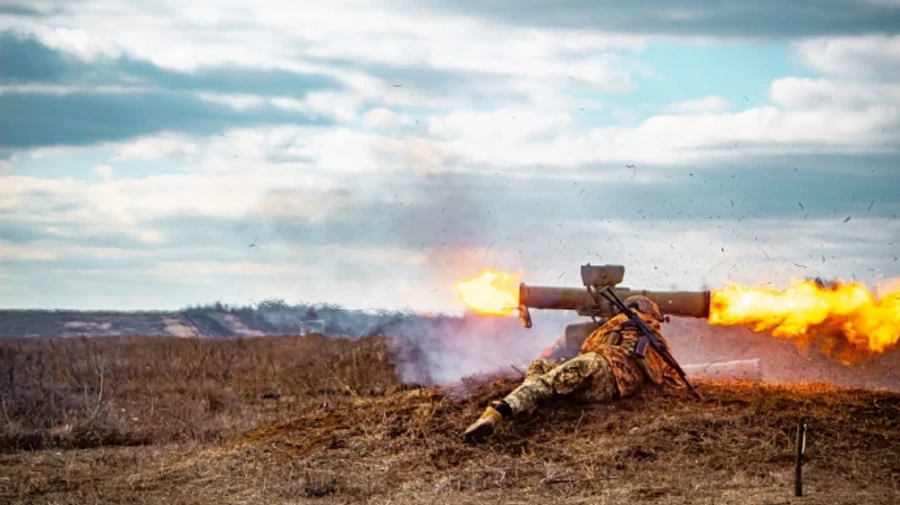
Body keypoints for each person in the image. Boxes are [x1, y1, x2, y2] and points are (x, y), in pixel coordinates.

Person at [464, 295, 685, 442]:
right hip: (610, 389)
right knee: (546, 375)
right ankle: (529, 400)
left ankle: (497, 413)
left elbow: (589, 345)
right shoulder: (655, 336)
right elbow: (668, 375)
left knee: (544, 376)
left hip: (597, 364)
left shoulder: (617, 322)